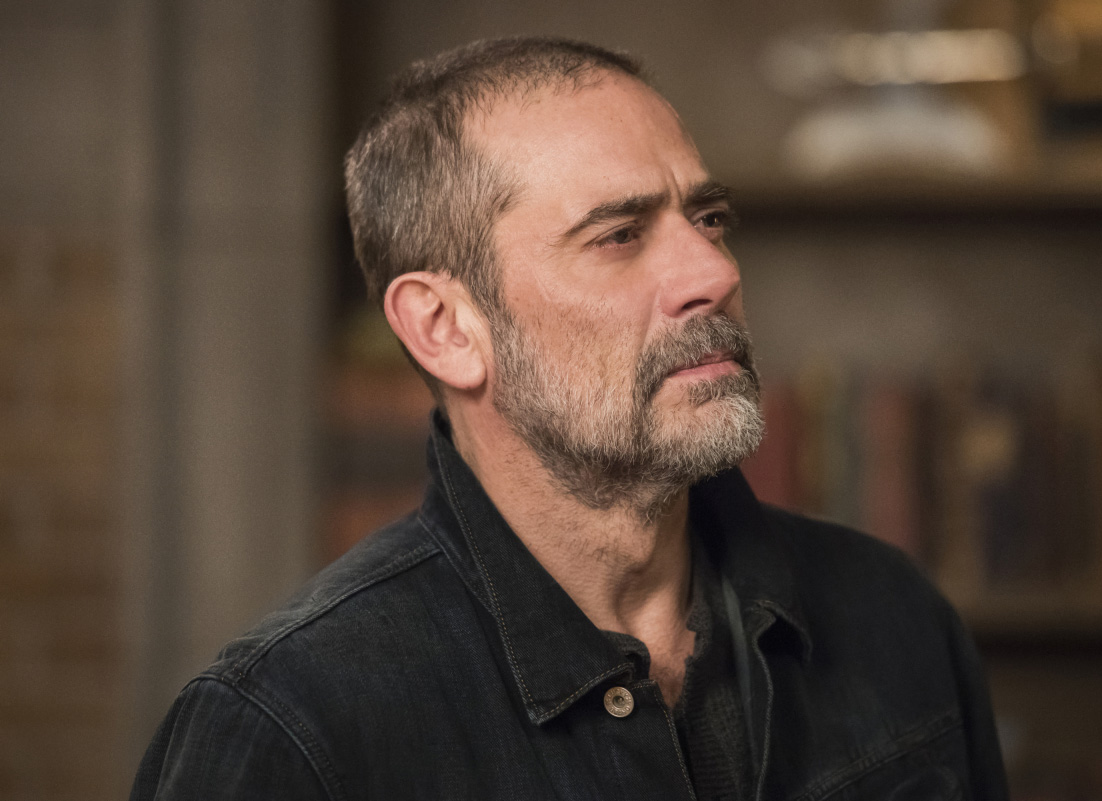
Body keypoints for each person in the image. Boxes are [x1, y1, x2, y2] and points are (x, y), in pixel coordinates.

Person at [131, 36, 1008, 801]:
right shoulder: (291, 727)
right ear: (445, 329)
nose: (714, 273)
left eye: (708, 218)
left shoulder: (892, 614)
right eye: (618, 235)